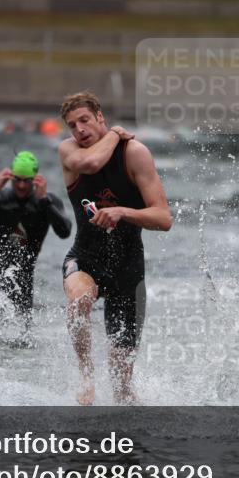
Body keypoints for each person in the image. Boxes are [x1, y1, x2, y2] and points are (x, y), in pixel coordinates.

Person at [58, 91, 172, 405]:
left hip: (127, 269)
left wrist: (124, 212)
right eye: (72, 125)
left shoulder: (135, 154)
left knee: (123, 389)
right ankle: (85, 379)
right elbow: (92, 163)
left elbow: (163, 218)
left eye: (85, 120)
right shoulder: (69, 151)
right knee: (80, 299)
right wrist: (113, 135)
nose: (79, 129)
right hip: (85, 258)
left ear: (100, 118)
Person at [0, 151, 72, 323]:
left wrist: (45, 200)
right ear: (10, 177)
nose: (22, 186)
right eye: (17, 179)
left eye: (27, 180)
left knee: (23, 339)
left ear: (36, 179)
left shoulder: (47, 202)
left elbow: (65, 232)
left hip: (24, 280)